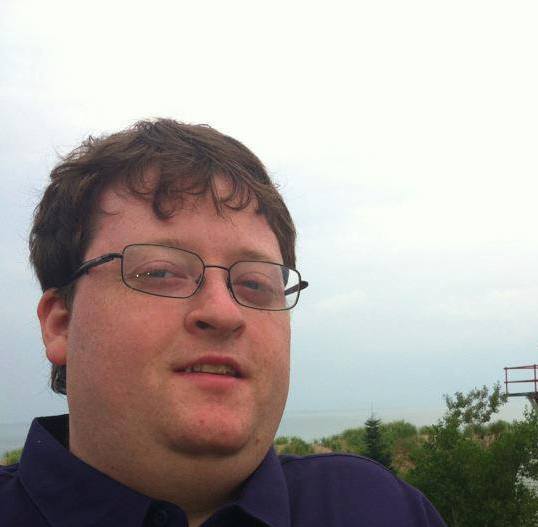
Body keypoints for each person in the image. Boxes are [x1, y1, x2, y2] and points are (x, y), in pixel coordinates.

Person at [0, 119, 446, 526]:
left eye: (254, 283)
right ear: (60, 324)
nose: (223, 312)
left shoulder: (383, 509)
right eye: (160, 272)